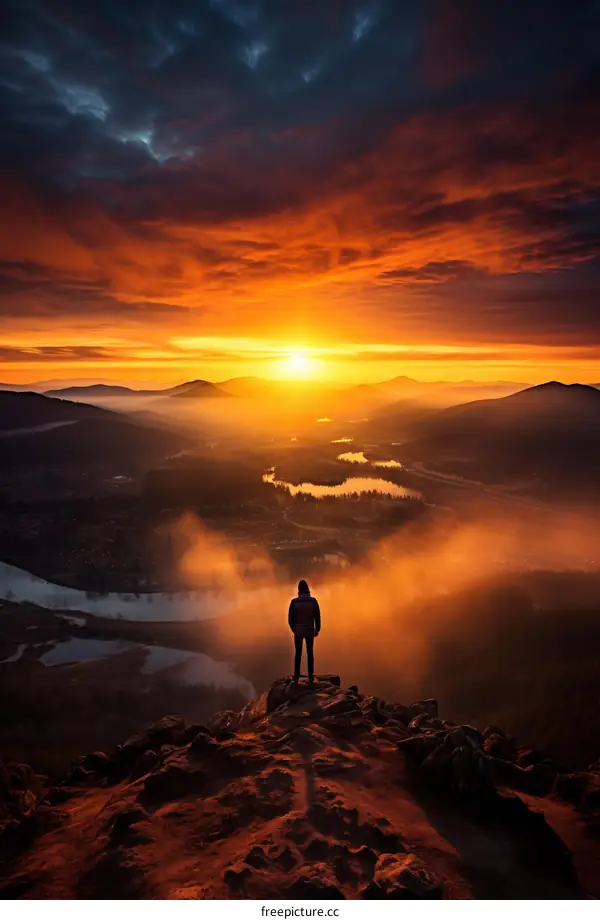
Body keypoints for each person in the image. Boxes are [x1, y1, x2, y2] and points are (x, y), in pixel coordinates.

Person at [288, 579, 321, 682]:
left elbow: (290, 618)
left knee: (298, 653)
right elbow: (317, 616)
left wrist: (294, 629)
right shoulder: (313, 601)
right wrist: (317, 629)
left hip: (298, 630)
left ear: (298, 590)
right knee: (309, 653)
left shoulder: (294, 602)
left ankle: (296, 676)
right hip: (309, 630)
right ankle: (310, 676)